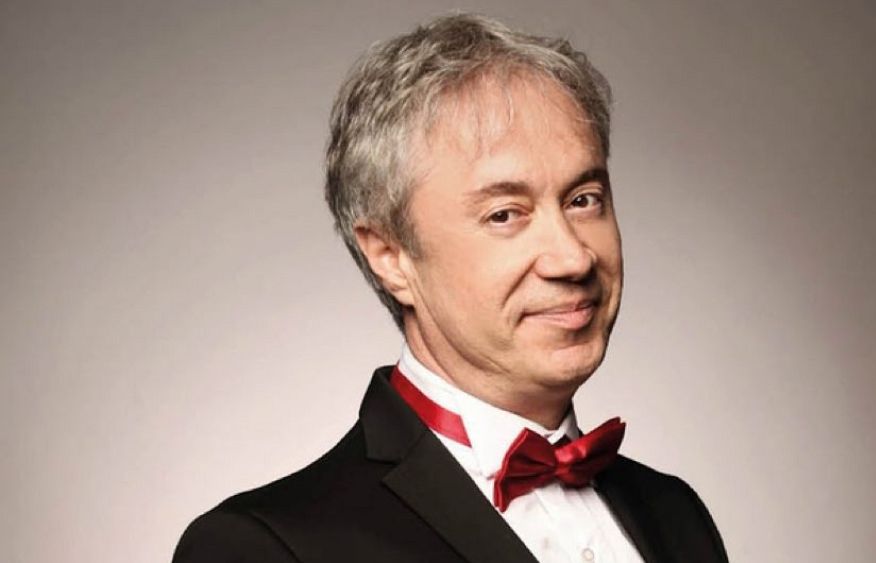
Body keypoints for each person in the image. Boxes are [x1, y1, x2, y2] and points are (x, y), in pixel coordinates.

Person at [173, 13, 728, 563]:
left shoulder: (677, 515)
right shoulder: (258, 547)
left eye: (584, 200)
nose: (573, 257)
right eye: (505, 214)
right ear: (390, 256)